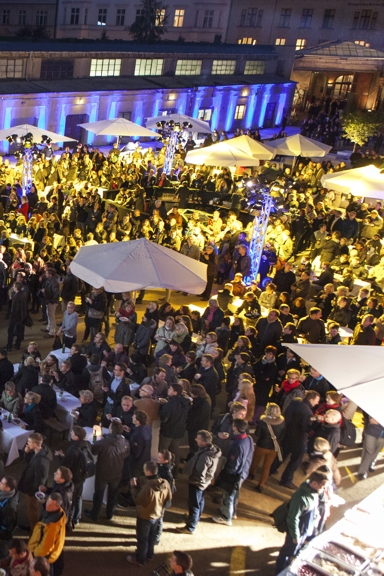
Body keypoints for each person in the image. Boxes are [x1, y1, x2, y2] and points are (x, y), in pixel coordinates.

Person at [274, 471, 329, 574]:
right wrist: (295, 536)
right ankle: (280, 571)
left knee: (295, 552)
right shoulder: (300, 497)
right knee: (287, 552)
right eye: (323, 486)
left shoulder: (314, 492)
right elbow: (292, 518)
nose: (324, 489)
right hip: (297, 532)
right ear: (314, 484)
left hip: (304, 531)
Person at [126, 461, 172, 566]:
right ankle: (150, 555)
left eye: (144, 469)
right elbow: (168, 500)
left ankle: (140, 559)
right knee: (152, 537)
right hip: (157, 515)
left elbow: (138, 500)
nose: (143, 471)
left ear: (148, 472)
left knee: (142, 539)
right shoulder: (165, 483)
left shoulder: (148, 487)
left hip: (145, 516)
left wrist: (133, 486)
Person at [84, 420, 129, 521]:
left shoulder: (103, 443)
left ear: (111, 430)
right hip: (117, 473)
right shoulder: (125, 443)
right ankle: (110, 514)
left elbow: (93, 451)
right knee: (113, 494)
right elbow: (126, 454)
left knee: (99, 494)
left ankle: (95, 514)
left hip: (103, 473)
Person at [178, 430, 221, 534]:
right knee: (200, 500)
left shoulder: (205, 456)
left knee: (194, 504)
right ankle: (196, 518)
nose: (196, 439)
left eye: (198, 438)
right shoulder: (211, 450)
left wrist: (194, 479)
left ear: (204, 442)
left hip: (197, 483)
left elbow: (200, 472)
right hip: (204, 483)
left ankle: (190, 527)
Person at [212, 419, 254, 526]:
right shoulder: (248, 439)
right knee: (235, 494)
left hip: (234, 474)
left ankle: (226, 517)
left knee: (228, 495)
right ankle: (233, 512)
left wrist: (226, 473)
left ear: (235, 428)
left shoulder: (237, 445)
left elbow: (233, 464)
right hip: (243, 472)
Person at [276, 391, 320, 489]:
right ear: (311, 399)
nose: (317, 403)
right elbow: (305, 428)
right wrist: (315, 423)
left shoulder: (295, 403)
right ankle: (286, 480)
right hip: (299, 440)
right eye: (316, 401)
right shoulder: (308, 412)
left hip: (287, 435)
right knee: (295, 461)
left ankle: (270, 470)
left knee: (281, 456)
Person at [57, 425, 92, 526]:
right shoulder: (87, 444)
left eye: (72, 433)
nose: (71, 434)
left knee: (69, 498)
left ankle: (68, 518)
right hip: (81, 476)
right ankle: (77, 518)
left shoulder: (73, 449)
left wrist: (60, 457)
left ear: (76, 437)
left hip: (73, 477)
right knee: (78, 497)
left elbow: (65, 466)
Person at [18, 433, 53, 530]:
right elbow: (29, 462)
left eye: (29, 442)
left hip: (33, 490)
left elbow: (40, 480)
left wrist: (32, 493)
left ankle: (34, 531)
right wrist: (27, 453)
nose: (27, 444)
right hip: (31, 485)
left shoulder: (41, 462)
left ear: (37, 444)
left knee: (33, 510)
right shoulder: (40, 451)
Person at [249, 404, 285, 492]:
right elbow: (282, 436)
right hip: (273, 448)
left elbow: (257, 434)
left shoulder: (263, 421)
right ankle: (261, 485)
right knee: (267, 467)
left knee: (255, 460)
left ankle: (252, 474)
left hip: (262, 445)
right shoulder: (282, 422)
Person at [28, 492, 66, 576]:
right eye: (48, 502)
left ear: (58, 506)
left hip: (45, 557)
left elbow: (45, 548)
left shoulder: (51, 526)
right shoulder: (60, 512)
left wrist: (34, 555)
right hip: (56, 552)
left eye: (51, 505)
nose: (47, 506)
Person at [159, 383, 190, 479]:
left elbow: (163, 417)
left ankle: (162, 473)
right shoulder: (185, 403)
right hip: (179, 432)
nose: (168, 389)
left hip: (168, 431)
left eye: (170, 389)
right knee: (175, 452)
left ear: (175, 392)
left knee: (164, 452)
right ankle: (175, 474)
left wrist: (162, 406)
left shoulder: (170, 404)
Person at [0, 476, 18, 559]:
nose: (0, 483)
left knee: (3, 549)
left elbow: (6, 527)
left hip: (4, 535)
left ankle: (5, 560)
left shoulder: (9, 507)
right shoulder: (5, 494)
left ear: (7, 488)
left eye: (2, 483)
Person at [6, 282, 28, 351]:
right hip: (21, 317)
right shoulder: (23, 294)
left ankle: (9, 346)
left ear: (16, 287)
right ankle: (17, 345)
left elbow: (15, 309)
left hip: (15, 317)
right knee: (19, 331)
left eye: (14, 286)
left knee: (10, 331)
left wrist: (11, 317)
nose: (13, 287)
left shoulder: (16, 296)